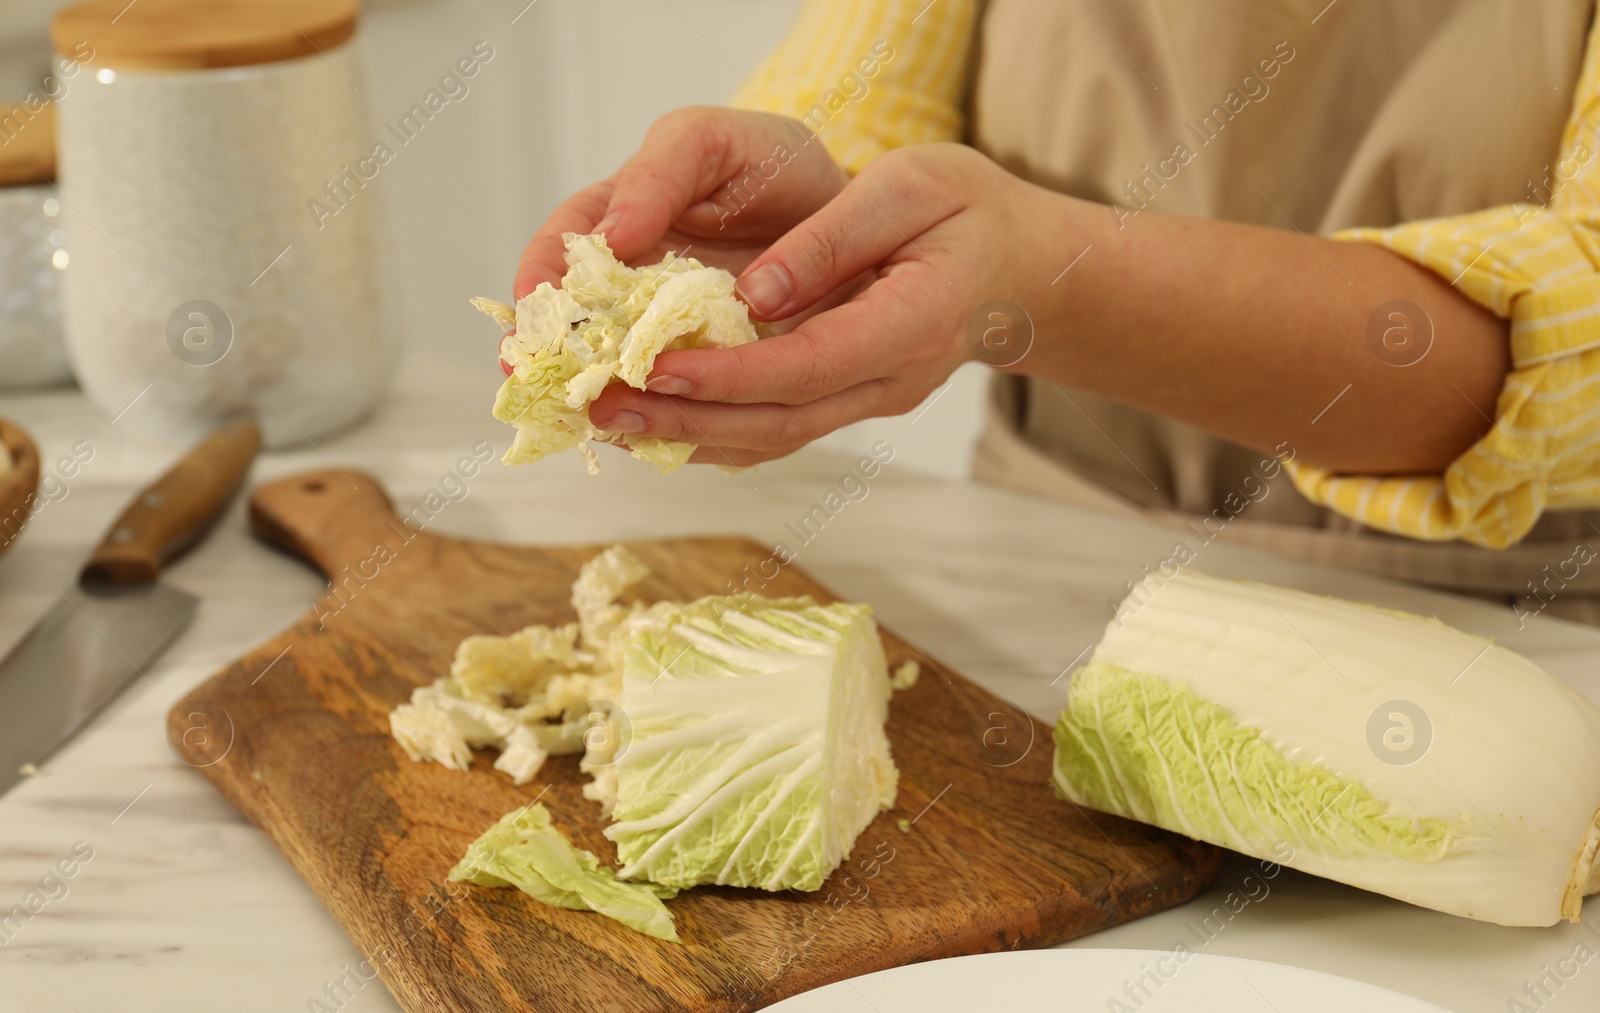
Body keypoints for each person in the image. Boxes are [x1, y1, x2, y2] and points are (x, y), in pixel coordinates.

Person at [513, 0, 1600, 624]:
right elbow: (868, 87)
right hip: (1045, 577)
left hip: (1503, 637)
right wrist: (809, 227)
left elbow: (1568, 332)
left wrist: (1042, 276)